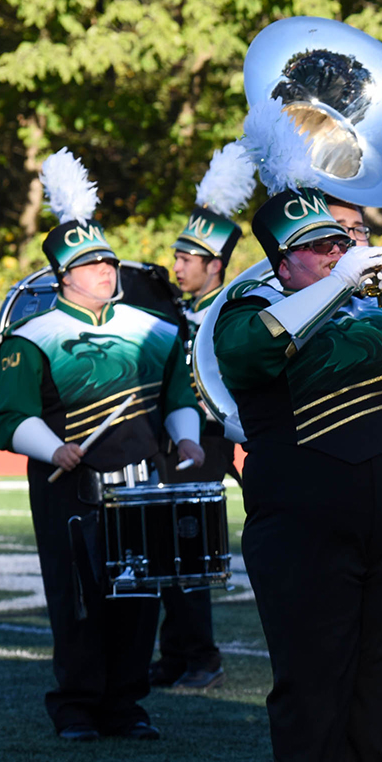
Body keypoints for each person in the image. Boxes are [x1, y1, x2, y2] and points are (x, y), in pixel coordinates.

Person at [212, 162, 382, 762]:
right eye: (319, 248)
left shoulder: (381, 313)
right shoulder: (246, 309)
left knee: (381, 688)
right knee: (312, 694)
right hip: (301, 531)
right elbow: (253, 353)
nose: (338, 255)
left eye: (341, 243)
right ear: (283, 265)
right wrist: (339, 284)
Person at [0, 149, 204, 741]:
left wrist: (186, 440)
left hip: (142, 482)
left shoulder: (158, 329)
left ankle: (126, 704)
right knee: (79, 600)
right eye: (90, 265)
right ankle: (77, 706)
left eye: (108, 261)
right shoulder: (33, 336)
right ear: (63, 277)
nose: (106, 271)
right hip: (70, 489)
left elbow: (178, 392)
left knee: (139, 597)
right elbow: (8, 415)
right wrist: (52, 447)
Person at [148, 142, 254, 692]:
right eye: (178, 256)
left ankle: (204, 657)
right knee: (161, 548)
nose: (177, 266)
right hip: (166, 437)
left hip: (207, 440)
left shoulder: (228, 312)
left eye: (188, 259)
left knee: (189, 548)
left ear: (216, 265)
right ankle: (174, 653)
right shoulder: (172, 308)